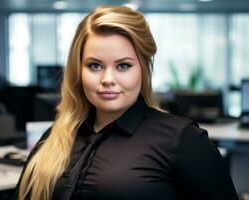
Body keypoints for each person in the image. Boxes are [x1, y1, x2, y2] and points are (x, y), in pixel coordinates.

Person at [14, 5, 239, 200]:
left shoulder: (183, 140)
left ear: (143, 68)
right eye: (94, 65)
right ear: (78, 70)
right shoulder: (55, 137)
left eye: (123, 66)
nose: (108, 80)